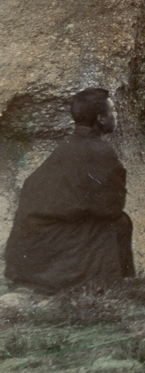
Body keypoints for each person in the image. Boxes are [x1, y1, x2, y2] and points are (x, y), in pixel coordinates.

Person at [4, 88, 135, 293]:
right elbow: (111, 209)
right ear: (101, 118)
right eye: (113, 111)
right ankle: (114, 285)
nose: (115, 115)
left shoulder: (67, 145)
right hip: (47, 243)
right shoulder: (100, 151)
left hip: (27, 251)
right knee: (120, 223)